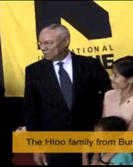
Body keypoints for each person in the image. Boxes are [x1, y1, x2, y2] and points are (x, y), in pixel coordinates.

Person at [23, 23, 111, 165]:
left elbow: (109, 97)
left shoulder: (90, 65)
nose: (43, 48)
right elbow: (31, 110)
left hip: (90, 141)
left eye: (48, 43)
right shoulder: (34, 71)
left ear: (65, 42)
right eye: (40, 43)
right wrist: (36, 146)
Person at [91, 56, 133, 165]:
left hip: (129, 155)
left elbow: (128, 135)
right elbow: (102, 129)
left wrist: (105, 160)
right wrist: (96, 156)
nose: (110, 77)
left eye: (116, 75)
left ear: (130, 80)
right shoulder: (109, 95)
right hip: (105, 153)